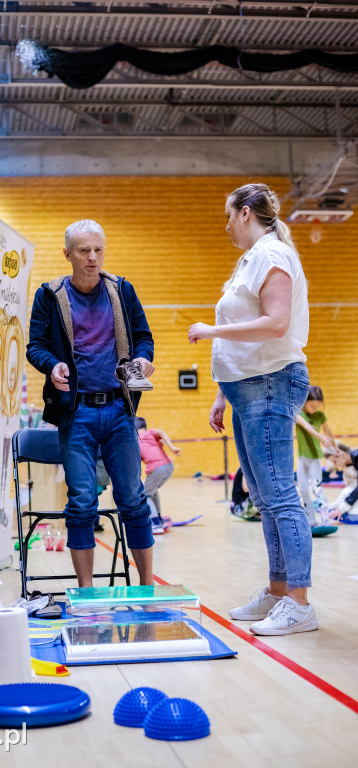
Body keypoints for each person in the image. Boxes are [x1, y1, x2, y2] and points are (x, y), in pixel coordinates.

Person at [188, 182, 316, 636]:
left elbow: (276, 323)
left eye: (229, 215)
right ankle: (278, 590)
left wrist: (210, 332)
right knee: (263, 499)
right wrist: (222, 393)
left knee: (280, 495)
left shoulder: (272, 254)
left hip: (271, 383)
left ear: (246, 213)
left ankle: (299, 602)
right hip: (246, 388)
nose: (226, 226)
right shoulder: (251, 259)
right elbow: (244, 338)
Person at [26, 219, 155, 588]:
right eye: (84, 251)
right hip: (76, 412)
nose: (93, 257)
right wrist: (52, 365)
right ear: (68, 254)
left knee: (133, 498)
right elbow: (35, 346)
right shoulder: (50, 295)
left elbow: (144, 337)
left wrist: (143, 358)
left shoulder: (122, 290)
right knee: (82, 501)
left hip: (119, 410)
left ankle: (146, 586)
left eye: (98, 249)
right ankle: (87, 591)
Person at [295, 385, 336, 526]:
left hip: (315, 458)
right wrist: (321, 437)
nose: (315, 409)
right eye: (312, 406)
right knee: (303, 489)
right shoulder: (298, 414)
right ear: (305, 401)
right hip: (302, 458)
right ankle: (311, 520)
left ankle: (325, 520)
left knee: (317, 488)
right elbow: (308, 427)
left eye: (317, 406)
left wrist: (335, 449)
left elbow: (328, 431)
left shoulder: (320, 416)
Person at [135, 416, 181, 534]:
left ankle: (155, 523)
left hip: (157, 468)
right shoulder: (149, 435)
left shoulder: (138, 438)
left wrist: (172, 447)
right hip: (168, 466)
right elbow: (160, 433)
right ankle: (159, 519)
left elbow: (160, 432)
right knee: (152, 491)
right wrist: (170, 447)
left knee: (145, 495)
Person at [328, 443, 358, 523]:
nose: (335, 466)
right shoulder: (353, 461)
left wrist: (342, 508)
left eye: (335, 461)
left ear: (341, 454)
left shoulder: (356, 457)